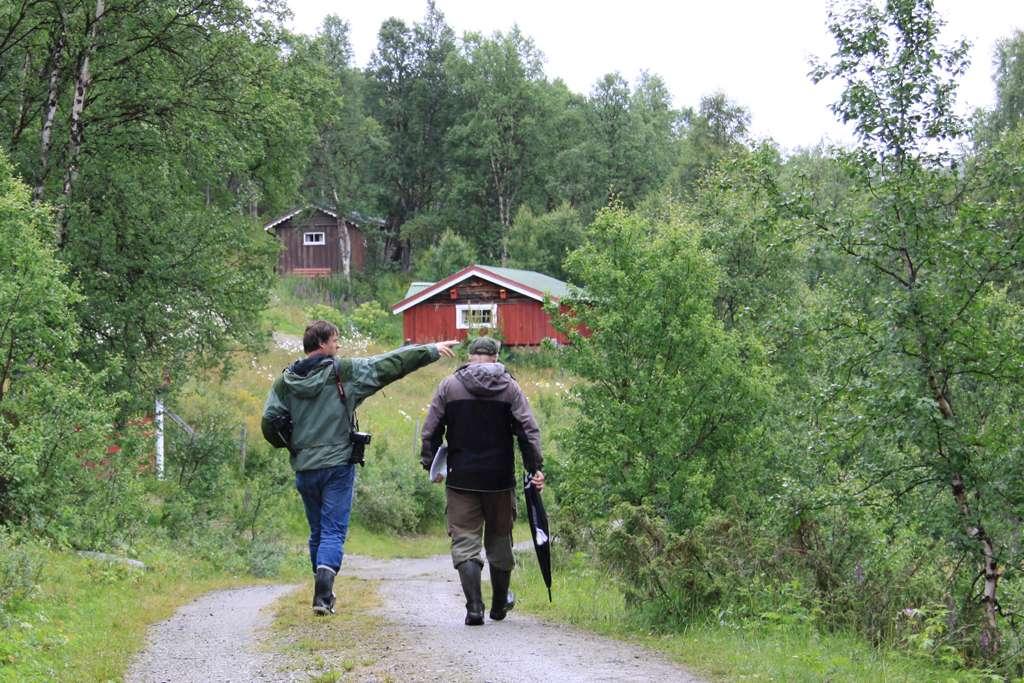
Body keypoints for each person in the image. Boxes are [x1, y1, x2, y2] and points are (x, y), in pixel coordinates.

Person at [263, 320, 457, 615]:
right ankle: (323, 597)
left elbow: (269, 424)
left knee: (317, 532)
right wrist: (429, 351)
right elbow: (388, 364)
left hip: (303, 466)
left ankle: (323, 593)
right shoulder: (342, 372)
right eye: (335, 340)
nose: (338, 346)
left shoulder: (284, 382)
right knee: (332, 532)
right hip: (338, 466)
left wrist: (291, 444)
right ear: (323, 344)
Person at [420, 336, 545, 625]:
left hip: (461, 479)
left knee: (465, 542)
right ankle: (499, 605)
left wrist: (431, 464)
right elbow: (527, 430)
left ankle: (474, 608)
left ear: (470, 355)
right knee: (500, 542)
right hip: (500, 481)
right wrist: (534, 467)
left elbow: (431, 429)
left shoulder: (449, 386)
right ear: (496, 356)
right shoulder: (510, 388)